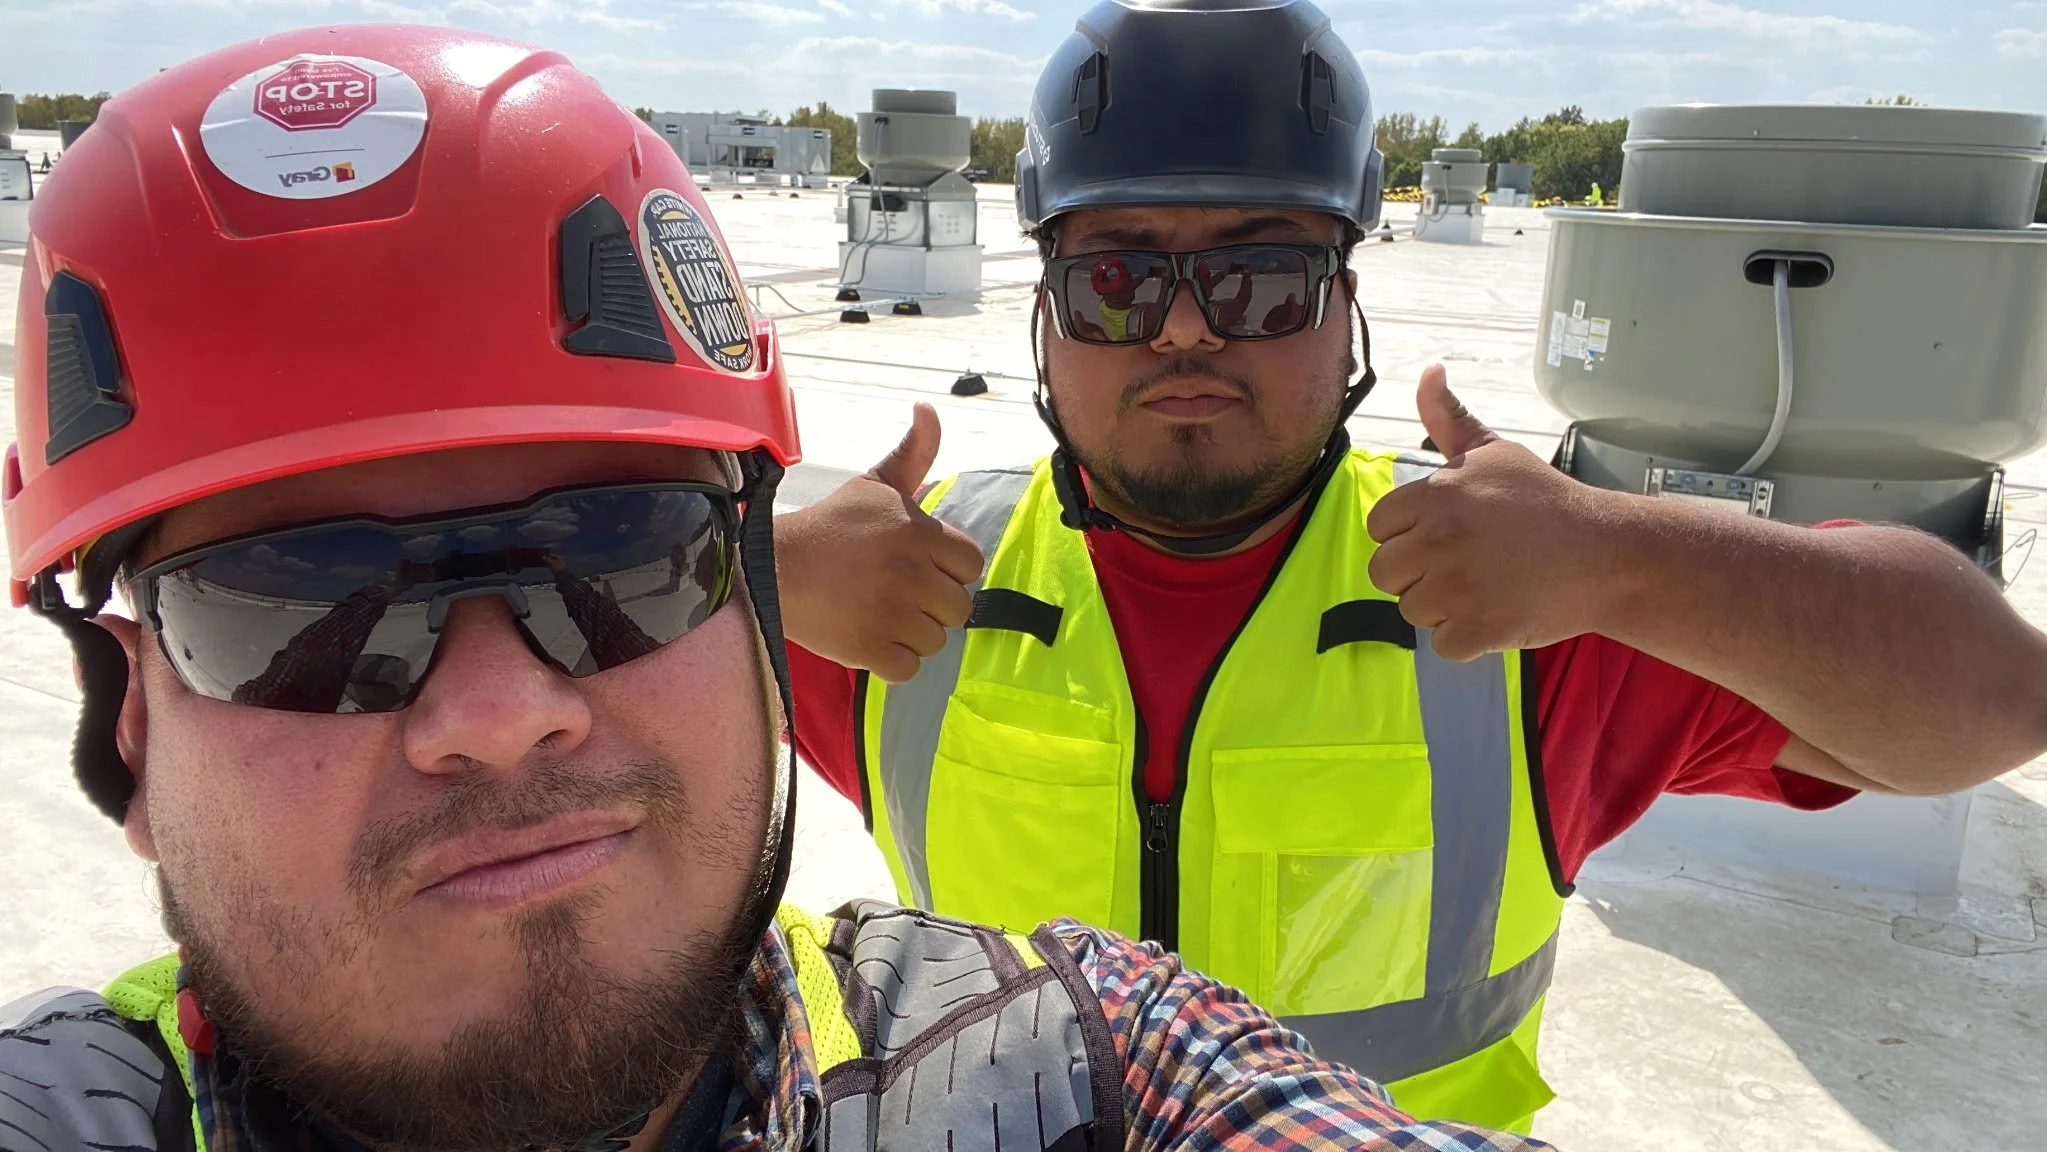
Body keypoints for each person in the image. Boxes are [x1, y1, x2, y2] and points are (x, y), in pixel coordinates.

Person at [0, 25, 1555, 1152]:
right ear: (126, 723)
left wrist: (1616, 559)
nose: (497, 710)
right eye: (289, 607)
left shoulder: (1077, 1069)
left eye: (625, 554)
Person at [770, 0, 2047, 1132]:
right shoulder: (913, 593)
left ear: (1347, 305)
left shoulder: (1522, 602)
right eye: (1117, 277)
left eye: (1261, 276)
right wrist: (753, 583)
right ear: (1045, 311)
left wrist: (1622, 559)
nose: (1184, 327)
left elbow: (1997, 701)